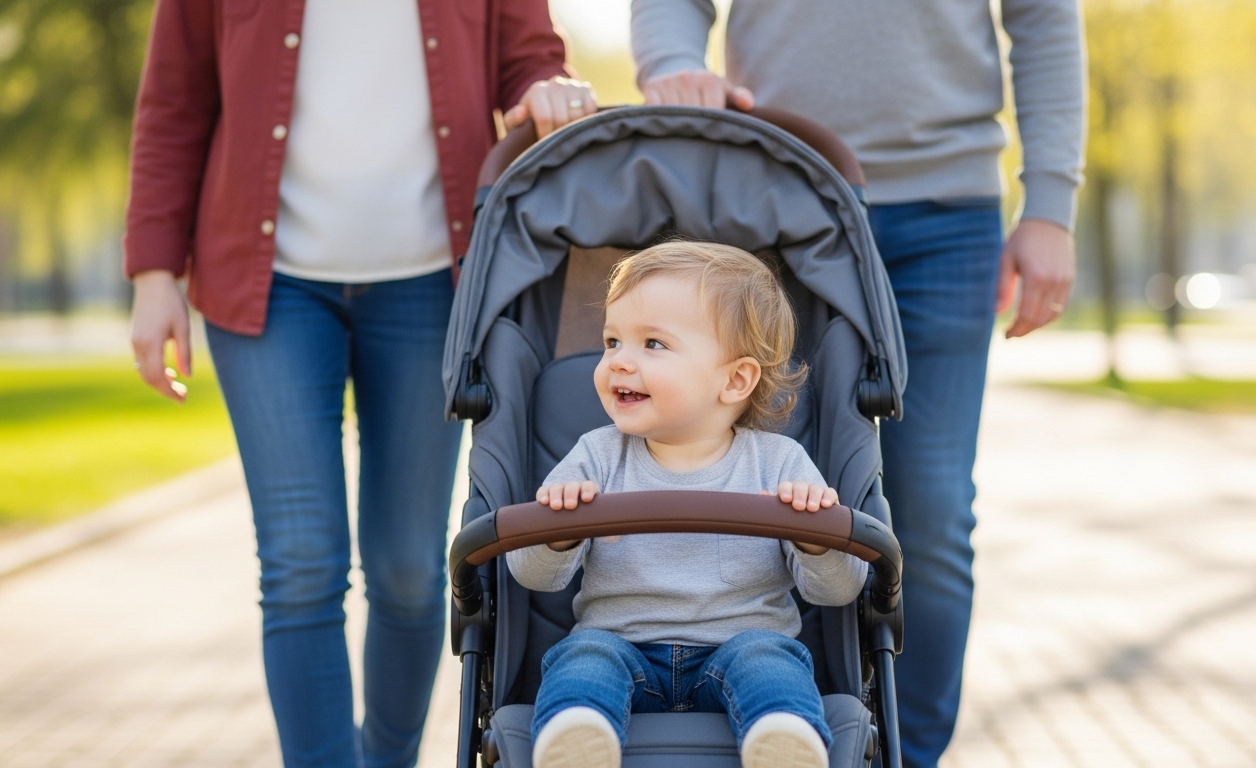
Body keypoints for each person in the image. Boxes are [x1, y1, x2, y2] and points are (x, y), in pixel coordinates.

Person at [123, 2, 597, 765]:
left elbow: (529, 57)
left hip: (433, 281)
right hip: (267, 285)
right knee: (302, 560)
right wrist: (153, 272)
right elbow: (175, 101)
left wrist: (550, 85)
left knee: (411, 572)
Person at [630, 3, 1086, 765]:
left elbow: (1043, 18)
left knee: (933, 514)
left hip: (946, 208)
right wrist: (669, 62)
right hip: (780, 195)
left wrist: (1052, 207)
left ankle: (914, 756)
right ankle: (796, 731)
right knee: (777, 498)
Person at [506, 242, 868, 768]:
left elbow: (839, 590)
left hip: (741, 645)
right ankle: (577, 737)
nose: (619, 362)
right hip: (620, 646)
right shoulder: (595, 457)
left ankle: (785, 739)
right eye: (611, 342)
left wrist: (815, 537)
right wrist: (558, 528)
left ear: (735, 379)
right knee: (582, 658)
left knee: (770, 660)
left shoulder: (780, 464)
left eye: (652, 343)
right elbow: (532, 575)